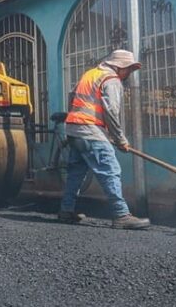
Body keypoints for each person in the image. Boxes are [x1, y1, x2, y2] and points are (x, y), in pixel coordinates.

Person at [59, 49, 150, 230]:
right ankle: (121, 214)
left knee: (76, 173)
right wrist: (120, 139)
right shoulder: (111, 79)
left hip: (74, 129)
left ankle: (66, 210)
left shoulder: (90, 74)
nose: (129, 73)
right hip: (90, 130)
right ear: (119, 66)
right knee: (110, 171)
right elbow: (111, 112)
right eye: (129, 69)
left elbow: (72, 97)